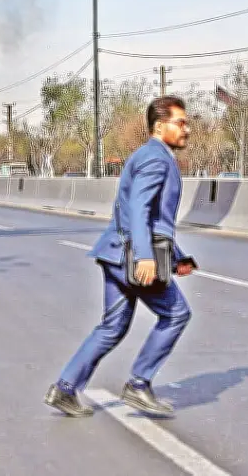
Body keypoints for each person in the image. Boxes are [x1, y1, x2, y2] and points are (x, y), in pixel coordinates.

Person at [45, 95, 196, 418]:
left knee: (112, 327)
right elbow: (139, 209)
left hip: (115, 254)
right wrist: (144, 256)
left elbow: (151, 219)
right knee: (176, 314)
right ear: (160, 126)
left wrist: (177, 258)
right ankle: (139, 383)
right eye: (181, 123)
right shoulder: (156, 159)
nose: (187, 129)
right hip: (132, 257)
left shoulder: (147, 155)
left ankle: (65, 388)